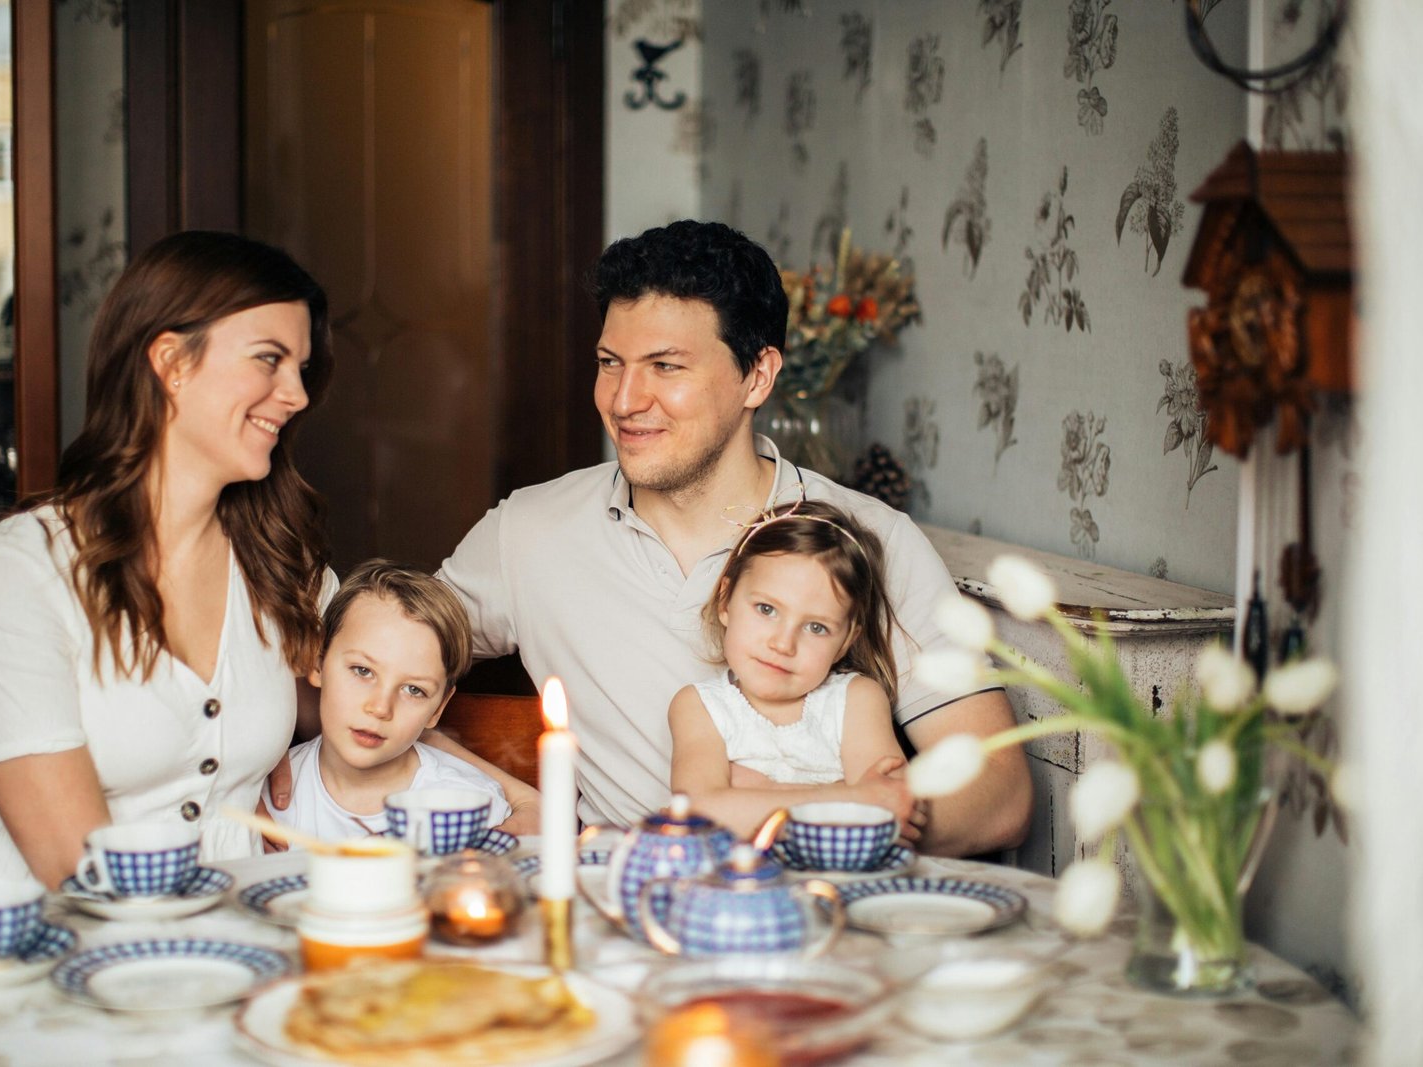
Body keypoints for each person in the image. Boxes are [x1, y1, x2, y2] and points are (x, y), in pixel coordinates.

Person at [432, 220, 1031, 856]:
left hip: (835, 917)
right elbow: (358, 675)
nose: (625, 400)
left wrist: (789, 820)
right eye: (610, 364)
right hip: (634, 917)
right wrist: (522, 799)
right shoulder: (528, 532)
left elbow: (998, 796)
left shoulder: (872, 541)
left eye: (665, 366)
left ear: (758, 376)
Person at [0, 230, 335, 948]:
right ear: (171, 361)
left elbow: (377, 697)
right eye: (270, 360)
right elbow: (73, 866)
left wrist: (517, 793)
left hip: (212, 945)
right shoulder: (24, 569)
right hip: (15, 957)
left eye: (302, 368)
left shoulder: (278, 560)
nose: (298, 394)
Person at [668, 500, 913, 838]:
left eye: (816, 627)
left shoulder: (856, 700)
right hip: (733, 886)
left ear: (845, 641)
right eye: (766, 609)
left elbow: (895, 811)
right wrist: (848, 796)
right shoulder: (700, 707)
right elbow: (698, 816)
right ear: (725, 601)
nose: (783, 644)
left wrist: (754, 793)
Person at [264, 561, 511, 842]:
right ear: (318, 664)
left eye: (413, 690)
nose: (380, 708)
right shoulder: (262, 800)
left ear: (439, 707)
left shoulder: (471, 810)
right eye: (362, 671)